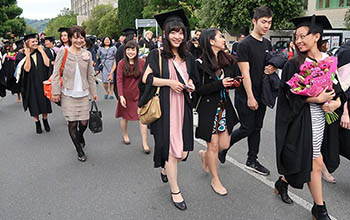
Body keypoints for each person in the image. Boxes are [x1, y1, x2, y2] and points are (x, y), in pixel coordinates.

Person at [275, 15, 340, 219]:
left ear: (316, 36)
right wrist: (315, 99)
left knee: (308, 160)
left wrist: (336, 103)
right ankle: (319, 209)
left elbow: (338, 90)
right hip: (302, 120)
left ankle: (282, 182)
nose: (298, 41)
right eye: (296, 37)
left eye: (303, 36)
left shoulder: (328, 61)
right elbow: (287, 96)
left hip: (323, 119)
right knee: (315, 162)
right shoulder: (294, 64)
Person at [139, 9, 195, 210]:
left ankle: (165, 169)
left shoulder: (187, 56)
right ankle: (175, 191)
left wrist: (190, 83)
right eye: (173, 32)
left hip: (183, 108)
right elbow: (146, 79)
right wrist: (170, 82)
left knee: (184, 152)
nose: (177, 36)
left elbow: (191, 77)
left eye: (180, 32)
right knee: (173, 152)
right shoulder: (157, 55)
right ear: (165, 33)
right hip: (165, 108)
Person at [218, 6, 274, 176]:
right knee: (247, 127)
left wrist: (271, 68)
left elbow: (266, 64)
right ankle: (223, 147)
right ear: (254, 21)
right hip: (246, 94)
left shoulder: (267, 43)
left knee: (257, 128)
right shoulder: (244, 45)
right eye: (263, 22)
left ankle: (252, 160)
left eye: (269, 22)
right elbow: (245, 73)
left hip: (262, 92)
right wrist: (250, 97)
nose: (266, 26)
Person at [195, 28, 241, 196]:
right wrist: (221, 84)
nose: (224, 39)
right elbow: (199, 90)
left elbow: (235, 78)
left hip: (224, 107)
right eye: (221, 37)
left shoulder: (227, 59)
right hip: (208, 108)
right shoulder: (199, 63)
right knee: (213, 145)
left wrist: (236, 83)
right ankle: (215, 179)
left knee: (224, 145)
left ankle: (204, 155)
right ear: (211, 41)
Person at [51, 26, 97, 162]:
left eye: (81, 37)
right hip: (68, 95)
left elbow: (90, 75)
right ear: (70, 38)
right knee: (72, 124)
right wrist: (55, 92)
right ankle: (79, 150)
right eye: (76, 37)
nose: (79, 40)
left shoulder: (87, 54)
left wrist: (93, 92)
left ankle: (80, 135)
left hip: (83, 94)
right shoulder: (63, 52)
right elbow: (55, 73)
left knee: (84, 122)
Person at [108, 41, 150, 153]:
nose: (130, 52)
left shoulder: (142, 62)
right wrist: (121, 95)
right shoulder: (121, 63)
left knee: (142, 117)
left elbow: (147, 78)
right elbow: (119, 80)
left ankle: (145, 143)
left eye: (133, 50)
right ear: (125, 51)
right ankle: (125, 134)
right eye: (128, 50)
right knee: (124, 116)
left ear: (137, 51)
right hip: (126, 94)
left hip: (139, 94)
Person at [19, 34, 52, 134]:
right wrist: (28, 55)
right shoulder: (21, 55)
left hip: (42, 80)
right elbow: (27, 69)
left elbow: (47, 64)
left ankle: (45, 120)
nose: (35, 43)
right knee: (33, 103)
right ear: (26, 43)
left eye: (36, 41)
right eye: (32, 42)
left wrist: (42, 51)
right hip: (30, 83)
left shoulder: (42, 51)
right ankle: (37, 123)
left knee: (44, 102)